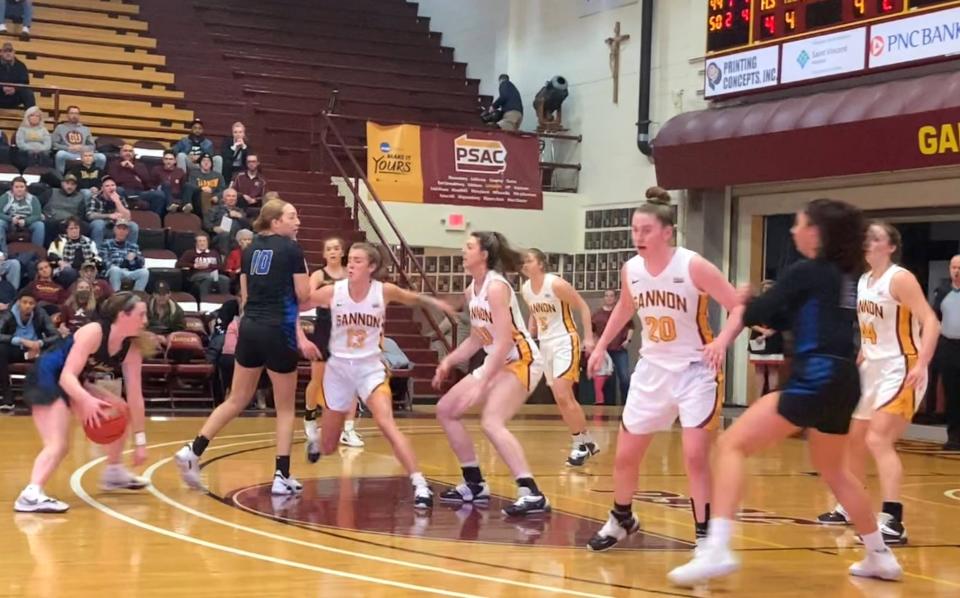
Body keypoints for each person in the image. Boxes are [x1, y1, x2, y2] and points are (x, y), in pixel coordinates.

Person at [668, 199, 903, 586]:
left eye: (798, 224)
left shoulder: (807, 270)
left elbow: (761, 311)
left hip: (815, 374)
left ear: (815, 232)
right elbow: (785, 317)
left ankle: (717, 548)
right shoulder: (844, 277)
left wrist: (744, 298)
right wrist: (761, 308)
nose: (793, 231)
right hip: (845, 380)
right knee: (835, 471)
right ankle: (880, 555)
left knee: (731, 445)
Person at [584, 188, 744, 552]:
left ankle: (705, 537)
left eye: (646, 230)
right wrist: (602, 344)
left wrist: (721, 343)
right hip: (652, 368)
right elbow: (625, 308)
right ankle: (622, 519)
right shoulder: (632, 269)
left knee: (694, 456)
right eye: (635, 230)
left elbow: (737, 307)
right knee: (625, 455)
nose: (638, 237)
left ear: (667, 232)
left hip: (694, 370)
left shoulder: (693, 265)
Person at [174, 198, 314, 495]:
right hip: (279, 329)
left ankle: (193, 450)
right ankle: (281, 474)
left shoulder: (249, 251)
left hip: (250, 327)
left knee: (236, 399)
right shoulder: (292, 250)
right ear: (276, 222)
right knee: (286, 408)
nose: (298, 221)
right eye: (292, 216)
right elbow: (303, 294)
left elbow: (245, 296)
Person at [816, 222, 939, 544]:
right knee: (853, 439)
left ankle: (894, 520)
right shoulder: (863, 281)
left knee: (878, 440)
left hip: (901, 366)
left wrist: (922, 363)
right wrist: (859, 359)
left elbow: (931, 321)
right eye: (865, 237)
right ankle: (851, 505)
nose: (867, 242)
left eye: (876, 238)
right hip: (872, 366)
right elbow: (872, 329)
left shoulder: (900, 278)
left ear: (891, 246)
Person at [306, 242, 455, 509]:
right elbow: (295, 304)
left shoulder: (383, 291)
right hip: (338, 369)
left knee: (387, 424)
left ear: (372, 267)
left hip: (370, 369)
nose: (350, 264)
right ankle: (317, 438)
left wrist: (436, 301)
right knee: (328, 447)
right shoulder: (332, 291)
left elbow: (412, 298)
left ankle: (420, 483)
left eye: (358, 260)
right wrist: (299, 337)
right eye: (349, 259)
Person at [432, 231, 548, 516]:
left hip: (521, 359)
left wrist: (482, 379)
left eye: (469, 246)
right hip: (496, 359)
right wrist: (449, 361)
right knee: (445, 409)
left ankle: (531, 492)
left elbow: (506, 340)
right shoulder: (472, 290)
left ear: (483, 254)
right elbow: (476, 338)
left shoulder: (497, 287)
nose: (463, 250)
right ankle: (474, 484)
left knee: (492, 421)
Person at [13, 292, 155, 512]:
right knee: (59, 444)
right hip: (46, 377)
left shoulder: (131, 348)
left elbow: (136, 396)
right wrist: (86, 400)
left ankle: (114, 472)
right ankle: (30, 494)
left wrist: (140, 441)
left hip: (74, 381)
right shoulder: (93, 332)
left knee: (120, 408)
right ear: (122, 315)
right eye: (141, 314)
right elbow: (66, 377)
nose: (146, 321)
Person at [520, 248, 599, 466]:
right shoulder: (526, 289)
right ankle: (587, 440)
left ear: (541, 264)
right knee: (562, 399)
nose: (524, 264)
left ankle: (579, 446)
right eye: (523, 262)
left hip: (565, 340)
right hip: (546, 344)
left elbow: (583, 306)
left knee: (564, 394)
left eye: (529, 260)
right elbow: (535, 316)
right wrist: (529, 336)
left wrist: (589, 338)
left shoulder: (555, 284)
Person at [303, 236, 363, 460]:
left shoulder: (350, 273)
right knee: (317, 379)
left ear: (342, 252)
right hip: (325, 327)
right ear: (324, 254)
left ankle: (348, 429)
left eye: (337, 248)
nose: (334, 252)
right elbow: (308, 298)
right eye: (329, 249)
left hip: (347, 329)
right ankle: (309, 416)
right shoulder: (319, 275)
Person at [0, 288, 59, 409]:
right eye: (24, 302)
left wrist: (40, 343)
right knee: (1, 350)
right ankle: (7, 397)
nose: (27, 306)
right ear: (18, 302)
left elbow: (56, 336)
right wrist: (20, 340)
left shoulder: (40, 313)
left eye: (31, 303)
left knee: (54, 352)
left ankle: (42, 398)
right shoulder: (9, 313)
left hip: (35, 349)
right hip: (14, 349)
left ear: (35, 305)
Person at [932, 254, 960, 450]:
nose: (957, 271)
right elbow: (934, 318)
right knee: (951, 393)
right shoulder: (942, 291)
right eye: (954, 267)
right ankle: (954, 438)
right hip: (948, 347)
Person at [592, 289, 635, 404]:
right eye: (606, 296)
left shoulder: (621, 312)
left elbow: (631, 326)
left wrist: (628, 340)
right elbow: (592, 331)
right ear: (604, 298)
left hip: (619, 350)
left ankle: (626, 405)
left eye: (611, 296)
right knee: (605, 381)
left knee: (625, 378)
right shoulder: (597, 314)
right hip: (604, 352)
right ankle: (607, 407)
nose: (609, 298)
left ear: (615, 298)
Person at [747, 280, 785, 398]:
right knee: (759, 369)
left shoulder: (780, 305)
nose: (767, 291)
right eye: (765, 288)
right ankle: (758, 399)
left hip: (774, 339)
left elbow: (783, 321)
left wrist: (770, 332)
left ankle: (770, 398)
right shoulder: (755, 304)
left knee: (773, 369)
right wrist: (763, 332)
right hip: (758, 338)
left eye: (770, 289)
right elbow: (749, 320)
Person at [85, 176, 139, 248]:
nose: (111, 188)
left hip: (115, 227)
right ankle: (97, 251)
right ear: (102, 189)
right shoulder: (95, 198)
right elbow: (90, 215)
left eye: (113, 185)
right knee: (98, 223)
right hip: (101, 228)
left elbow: (128, 217)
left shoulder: (119, 198)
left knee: (133, 226)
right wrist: (109, 216)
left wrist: (117, 202)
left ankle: (130, 251)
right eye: (107, 186)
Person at [52, 106, 106, 174]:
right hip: (69, 154)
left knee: (101, 157)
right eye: (72, 113)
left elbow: (92, 146)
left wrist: (83, 148)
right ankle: (60, 178)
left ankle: (97, 176)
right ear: (67, 115)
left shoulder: (86, 129)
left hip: (84, 154)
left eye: (76, 113)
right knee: (60, 154)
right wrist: (68, 148)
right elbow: (54, 144)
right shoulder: (60, 128)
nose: (74, 116)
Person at [48, 217, 99, 288]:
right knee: (68, 272)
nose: (74, 230)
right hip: (68, 269)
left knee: (94, 272)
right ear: (66, 230)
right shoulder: (59, 241)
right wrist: (60, 262)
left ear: (79, 229)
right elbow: (51, 255)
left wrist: (92, 265)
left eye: (76, 228)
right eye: (71, 228)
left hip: (86, 269)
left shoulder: (89, 241)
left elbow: (96, 257)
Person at [101, 220, 148, 292]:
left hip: (130, 272)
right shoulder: (107, 244)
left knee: (144, 272)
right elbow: (103, 260)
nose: (121, 231)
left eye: (124, 229)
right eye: (119, 229)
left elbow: (141, 263)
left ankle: (137, 296)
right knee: (115, 269)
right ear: (115, 230)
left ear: (127, 231)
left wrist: (134, 259)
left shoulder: (133, 246)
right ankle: (116, 296)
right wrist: (121, 264)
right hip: (113, 270)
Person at [0, 175, 42, 251]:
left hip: (27, 222)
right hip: (9, 221)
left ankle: (36, 252)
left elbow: (37, 215)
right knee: (0, 223)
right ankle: (3, 252)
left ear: (25, 188)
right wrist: (10, 219)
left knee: (40, 225)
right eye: (16, 187)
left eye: (22, 187)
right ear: (12, 188)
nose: (19, 189)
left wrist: (26, 221)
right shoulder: (5, 197)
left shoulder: (33, 199)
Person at [42, 174, 84, 247]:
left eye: (73, 184)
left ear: (76, 186)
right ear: (62, 183)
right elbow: (39, 203)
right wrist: (41, 213)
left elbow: (81, 214)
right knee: (48, 224)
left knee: (83, 226)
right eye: (67, 183)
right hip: (51, 219)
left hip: (69, 221)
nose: (70, 186)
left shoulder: (80, 197)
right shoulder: (51, 192)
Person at [205, 187, 250, 256]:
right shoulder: (215, 210)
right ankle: (225, 260)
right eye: (228, 196)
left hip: (236, 238)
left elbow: (248, 226)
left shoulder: (240, 211)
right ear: (223, 198)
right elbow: (206, 224)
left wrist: (240, 217)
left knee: (246, 238)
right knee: (225, 235)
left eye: (233, 196)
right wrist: (214, 228)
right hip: (220, 237)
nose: (231, 198)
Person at [177, 232, 223, 298]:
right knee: (208, 278)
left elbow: (220, 266)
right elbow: (178, 264)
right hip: (197, 275)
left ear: (207, 243)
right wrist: (194, 265)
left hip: (213, 274)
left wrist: (208, 265)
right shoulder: (190, 253)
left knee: (225, 280)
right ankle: (204, 300)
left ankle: (222, 300)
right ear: (196, 243)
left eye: (204, 241)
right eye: (200, 241)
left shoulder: (214, 253)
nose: (202, 243)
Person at [13, 105, 51, 170]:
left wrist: (39, 150)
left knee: (45, 155)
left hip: (41, 152)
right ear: (27, 117)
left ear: (40, 118)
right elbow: (20, 144)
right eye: (32, 115)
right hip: (26, 152)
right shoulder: (22, 129)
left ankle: (42, 173)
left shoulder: (44, 130)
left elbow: (48, 144)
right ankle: (30, 172)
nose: (35, 117)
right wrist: (31, 149)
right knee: (29, 155)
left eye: (37, 116)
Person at [0, 42, 34, 109]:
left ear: (14, 52)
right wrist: (2, 87)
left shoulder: (21, 65)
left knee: (28, 93)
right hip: (0, 94)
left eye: (10, 51)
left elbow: (25, 82)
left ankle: (32, 115)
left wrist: (15, 89)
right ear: (1, 53)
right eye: (5, 51)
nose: (8, 53)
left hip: (15, 95)